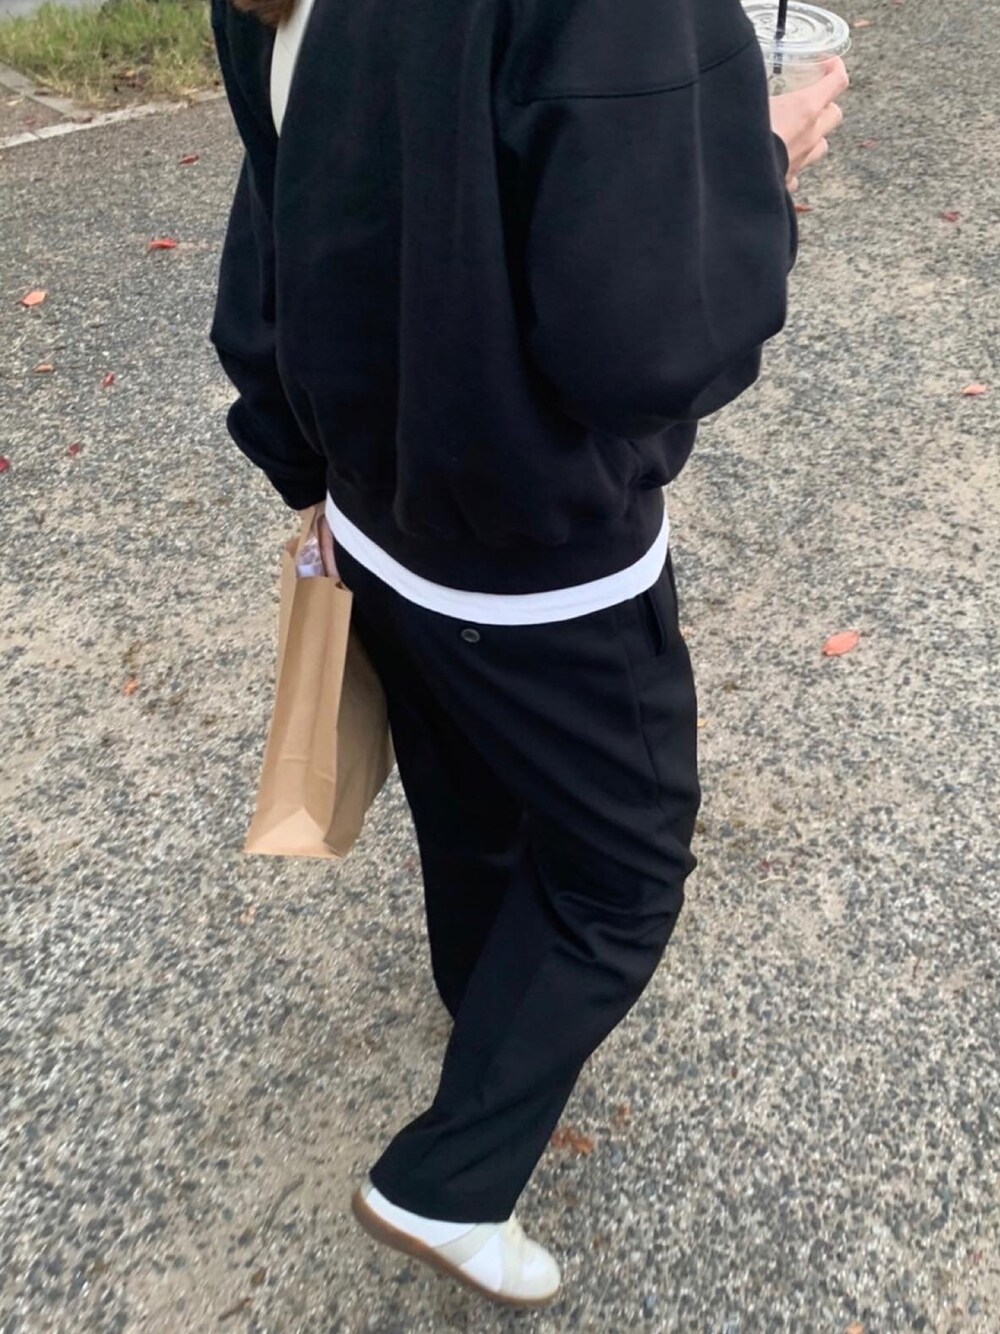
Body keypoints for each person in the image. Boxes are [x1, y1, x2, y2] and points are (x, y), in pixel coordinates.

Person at [210, 0, 847, 1307]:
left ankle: (489, 1009)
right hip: (543, 562)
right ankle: (450, 1180)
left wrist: (301, 470)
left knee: (472, 809)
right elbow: (651, 336)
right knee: (623, 870)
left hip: (372, 512)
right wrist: (758, 163)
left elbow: (278, 212)